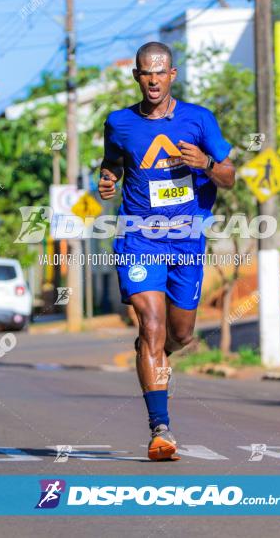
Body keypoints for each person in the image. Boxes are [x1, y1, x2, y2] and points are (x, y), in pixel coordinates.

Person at [98, 42, 235, 459]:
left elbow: (229, 177)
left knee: (180, 333)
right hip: (139, 237)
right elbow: (112, 164)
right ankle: (161, 428)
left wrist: (206, 166)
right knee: (152, 326)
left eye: (160, 72)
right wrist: (106, 181)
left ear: (172, 74)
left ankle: (156, 354)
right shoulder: (119, 122)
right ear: (136, 76)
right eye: (145, 72)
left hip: (187, 238)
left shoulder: (198, 120)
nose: (153, 79)